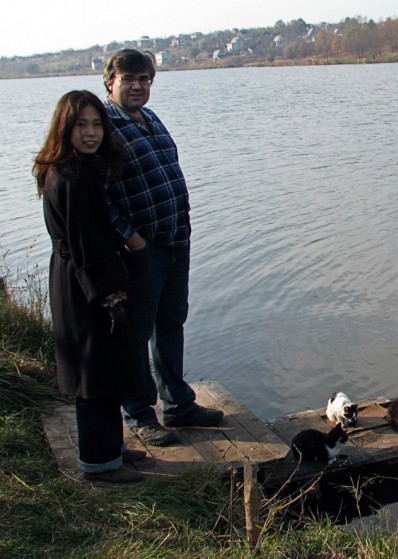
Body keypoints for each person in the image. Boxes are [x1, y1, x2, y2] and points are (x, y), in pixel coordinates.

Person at [102, 49, 223, 446]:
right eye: (129, 79)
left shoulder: (149, 118)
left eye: (145, 79)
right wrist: (131, 239)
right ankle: (139, 413)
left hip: (174, 242)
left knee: (171, 324)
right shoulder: (103, 127)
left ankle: (178, 405)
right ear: (110, 83)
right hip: (143, 250)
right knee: (137, 333)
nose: (138, 86)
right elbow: (101, 198)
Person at [34, 90, 148, 483]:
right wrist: (109, 295)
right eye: (81, 125)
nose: (91, 133)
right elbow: (85, 245)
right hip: (85, 286)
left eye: (97, 124)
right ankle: (99, 465)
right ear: (65, 128)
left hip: (85, 278)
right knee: (94, 375)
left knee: (109, 369)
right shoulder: (70, 176)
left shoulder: (79, 169)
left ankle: (111, 448)